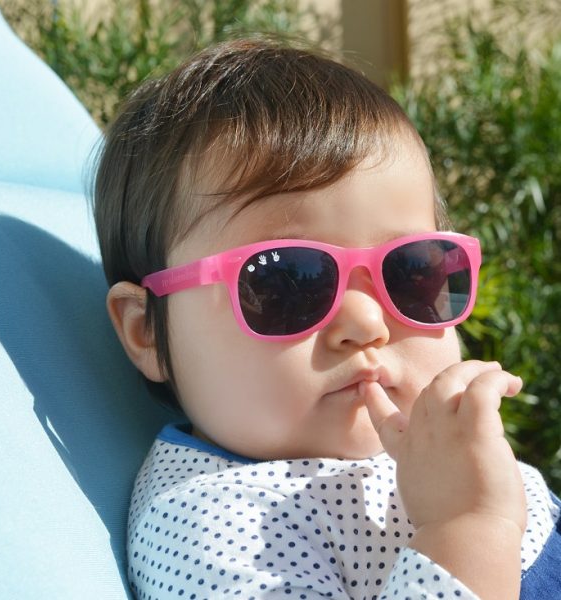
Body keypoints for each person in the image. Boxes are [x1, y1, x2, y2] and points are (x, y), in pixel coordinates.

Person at [92, 39, 560, 599]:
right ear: (146, 330)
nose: (366, 323)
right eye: (286, 281)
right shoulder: (209, 522)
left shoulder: (437, 447)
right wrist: (468, 528)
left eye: (412, 271)